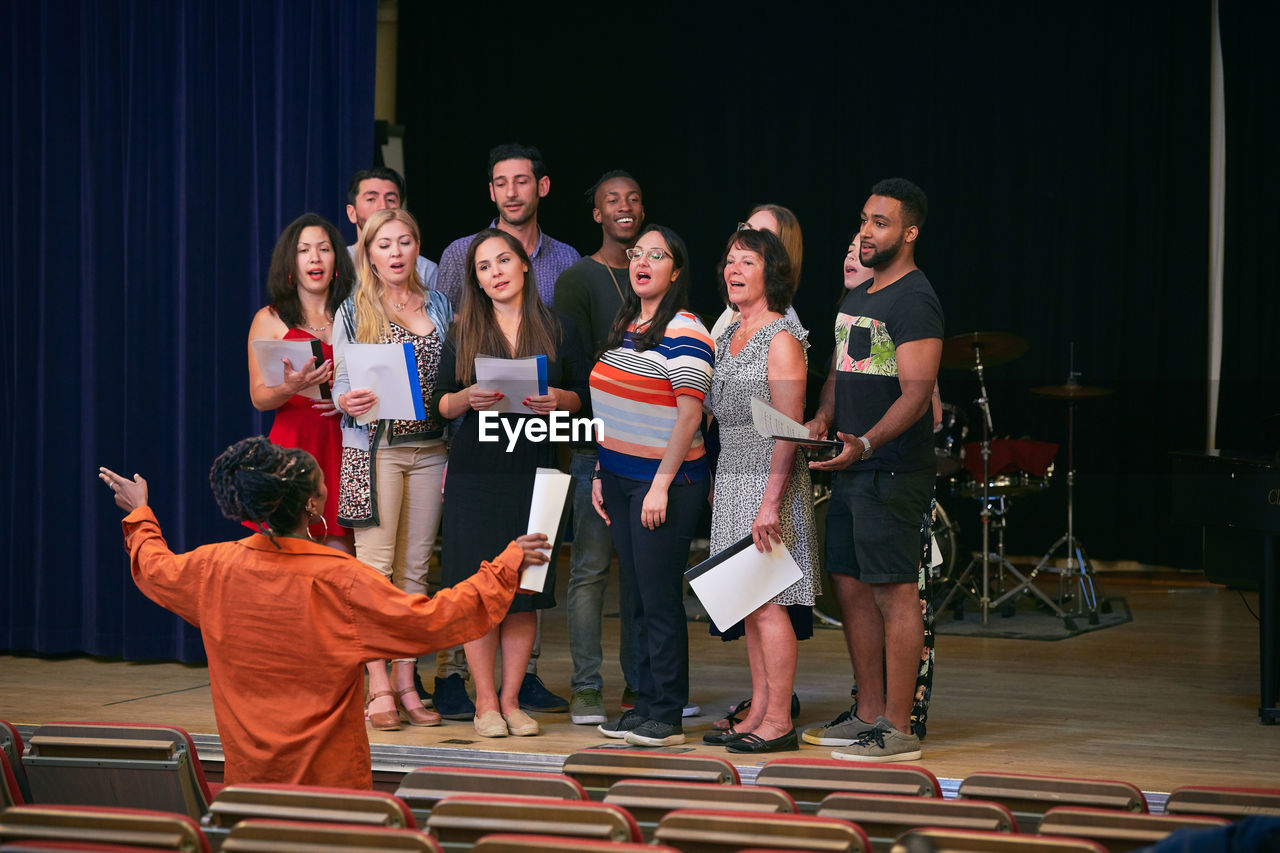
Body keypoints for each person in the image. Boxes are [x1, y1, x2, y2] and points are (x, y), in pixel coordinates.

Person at [97, 437, 547, 789]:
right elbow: (433, 622)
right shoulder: (341, 579)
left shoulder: (213, 567)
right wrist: (505, 567)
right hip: (330, 796)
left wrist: (141, 513)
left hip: (249, 793)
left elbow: (155, 569)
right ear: (312, 504)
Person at [433, 143, 580, 717]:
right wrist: (465, 397)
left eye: (503, 262)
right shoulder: (464, 329)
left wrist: (563, 398)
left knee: (524, 596)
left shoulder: (560, 327)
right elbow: (437, 406)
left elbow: (583, 401)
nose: (495, 273)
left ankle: (514, 699)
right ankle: (487, 703)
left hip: (537, 471)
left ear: (525, 265)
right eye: (483, 267)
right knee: (479, 595)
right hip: (476, 472)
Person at [802, 178, 943, 762]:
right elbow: (841, 373)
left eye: (880, 222)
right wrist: (821, 418)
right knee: (852, 589)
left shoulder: (914, 299)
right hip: (852, 466)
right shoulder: (858, 295)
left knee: (894, 593)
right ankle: (866, 712)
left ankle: (897, 727)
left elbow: (916, 395)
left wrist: (864, 441)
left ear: (908, 233)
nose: (865, 230)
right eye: (864, 219)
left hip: (891, 470)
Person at [590, 224, 714, 747]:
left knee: (659, 598)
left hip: (665, 481)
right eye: (637, 253)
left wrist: (660, 486)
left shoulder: (686, 328)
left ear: (676, 271)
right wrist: (601, 471)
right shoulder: (628, 322)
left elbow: (690, 417)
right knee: (636, 598)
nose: (642, 261)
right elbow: (614, 404)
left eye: (656, 255)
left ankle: (666, 713)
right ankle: (643, 703)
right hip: (619, 478)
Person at [332, 208, 453, 732]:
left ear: (416, 246)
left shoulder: (442, 302)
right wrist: (348, 399)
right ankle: (377, 684)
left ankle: (408, 682)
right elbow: (338, 385)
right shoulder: (354, 309)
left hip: (432, 449)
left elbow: (454, 372)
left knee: (416, 572)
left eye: (405, 242)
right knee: (374, 573)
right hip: (377, 447)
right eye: (385, 245)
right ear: (369, 253)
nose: (396, 253)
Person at [701, 227, 817, 754]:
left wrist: (770, 502)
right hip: (730, 479)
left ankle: (779, 721)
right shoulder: (727, 336)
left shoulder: (782, 339)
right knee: (749, 605)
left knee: (769, 604)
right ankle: (758, 710)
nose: (734, 270)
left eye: (746, 261)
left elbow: (789, 428)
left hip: (768, 483)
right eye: (729, 261)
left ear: (771, 272)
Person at [552, 170, 645, 725]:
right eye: (612, 199)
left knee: (640, 572)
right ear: (597, 214)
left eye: (633, 198)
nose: (624, 206)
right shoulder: (578, 279)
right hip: (594, 441)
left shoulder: (655, 270)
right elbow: (576, 363)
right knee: (589, 569)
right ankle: (587, 687)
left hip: (650, 444)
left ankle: (641, 685)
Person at [246, 213, 355, 554]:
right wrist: (290, 386)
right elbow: (259, 399)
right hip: (293, 448)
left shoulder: (356, 316)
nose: (314, 257)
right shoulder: (270, 318)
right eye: (304, 250)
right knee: (285, 564)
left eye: (324, 249)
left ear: (336, 259)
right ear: (291, 262)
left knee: (341, 570)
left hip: (346, 447)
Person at [435, 143, 580, 308]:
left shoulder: (567, 258)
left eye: (521, 182)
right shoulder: (459, 253)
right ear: (492, 191)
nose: (511, 193)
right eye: (501, 184)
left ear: (543, 186)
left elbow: (574, 329)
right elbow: (443, 323)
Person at [709, 204, 804, 340]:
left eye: (760, 235)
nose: (747, 238)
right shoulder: (735, 308)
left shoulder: (783, 326)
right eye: (746, 229)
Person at [345, 166, 440, 292]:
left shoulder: (425, 269)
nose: (383, 206)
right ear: (352, 213)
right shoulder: (337, 262)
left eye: (390, 199)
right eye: (371, 199)